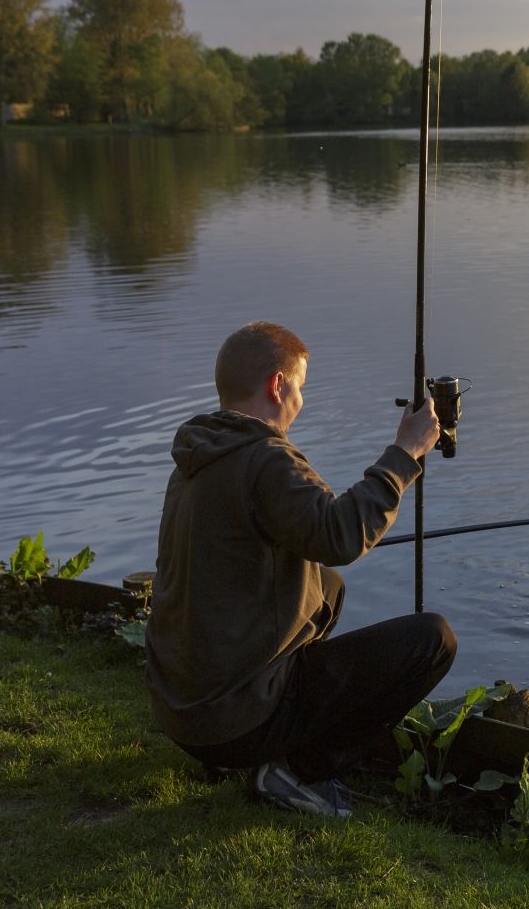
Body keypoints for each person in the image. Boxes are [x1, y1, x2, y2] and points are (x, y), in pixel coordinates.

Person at [145, 321, 455, 818]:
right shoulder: (265, 459)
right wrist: (405, 453)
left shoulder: (196, 458)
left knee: (324, 586)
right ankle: (296, 770)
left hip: (182, 712)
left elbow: (317, 548)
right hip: (232, 722)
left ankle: (268, 736)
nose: (301, 403)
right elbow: (340, 535)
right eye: (301, 388)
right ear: (277, 385)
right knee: (434, 639)